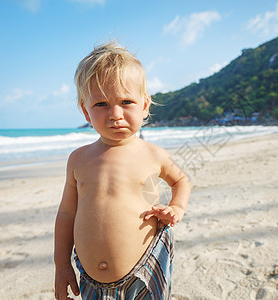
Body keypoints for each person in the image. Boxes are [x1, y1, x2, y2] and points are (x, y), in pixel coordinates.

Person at [54, 41, 191, 300]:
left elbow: (181, 180)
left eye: (126, 101)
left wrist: (177, 208)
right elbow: (65, 214)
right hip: (89, 279)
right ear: (86, 111)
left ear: (145, 106)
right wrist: (61, 265)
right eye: (101, 104)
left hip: (146, 269)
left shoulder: (153, 154)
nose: (115, 114)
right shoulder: (78, 159)